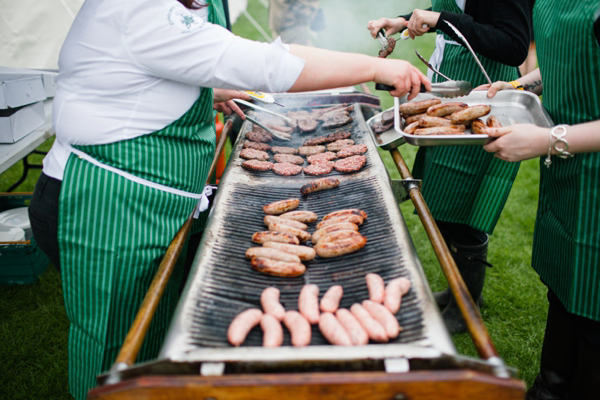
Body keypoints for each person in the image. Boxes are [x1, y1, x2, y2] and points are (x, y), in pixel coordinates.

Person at [27, 0, 429, 398]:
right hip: (104, 204)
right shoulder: (141, 6)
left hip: (141, 204)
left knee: (148, 330)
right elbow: (269, 64)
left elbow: (134, 71)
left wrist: (207, 89)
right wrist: (376, 67)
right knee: (113, 346)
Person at [367, 1, 531, 334]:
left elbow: (514, 45)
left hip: (482, 95)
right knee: (441, 203)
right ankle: (460, 288)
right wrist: (402, 21)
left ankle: (466, 305)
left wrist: (442, 20)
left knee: (464, 210)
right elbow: (451, 6)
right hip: (451, 88)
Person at [479, 1, 600, 397]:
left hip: (588, 168)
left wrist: (550, 139)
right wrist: (517, 86)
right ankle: (549, 388)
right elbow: (572, 58)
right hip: (570, 174)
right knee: (565, 288)